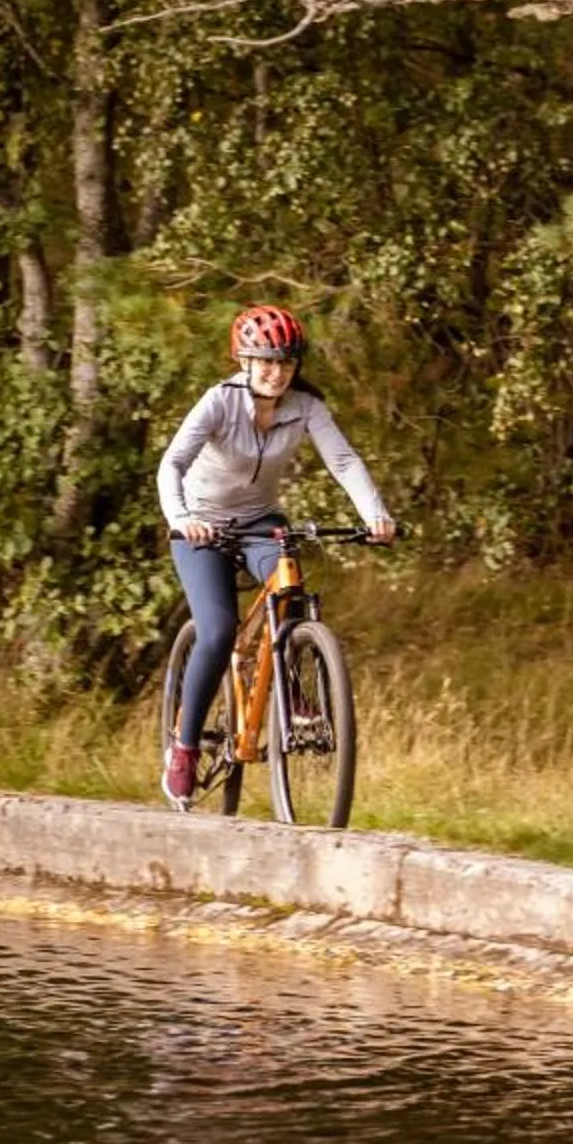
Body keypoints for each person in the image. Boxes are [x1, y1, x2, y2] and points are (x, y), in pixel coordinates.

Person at [155, 304, 397, 806]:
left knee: (289, 589)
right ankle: (184, 748)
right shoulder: (218, 402)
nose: (276, 372)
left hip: (260, 522)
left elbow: (344, 461)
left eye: (286, 363)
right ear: (244, 361)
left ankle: (293, 688)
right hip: (201, 527)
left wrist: (376, 515)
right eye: (265, 361)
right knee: (219, 630)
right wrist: (181, 518)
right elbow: (172, 463)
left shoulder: (305, 406)